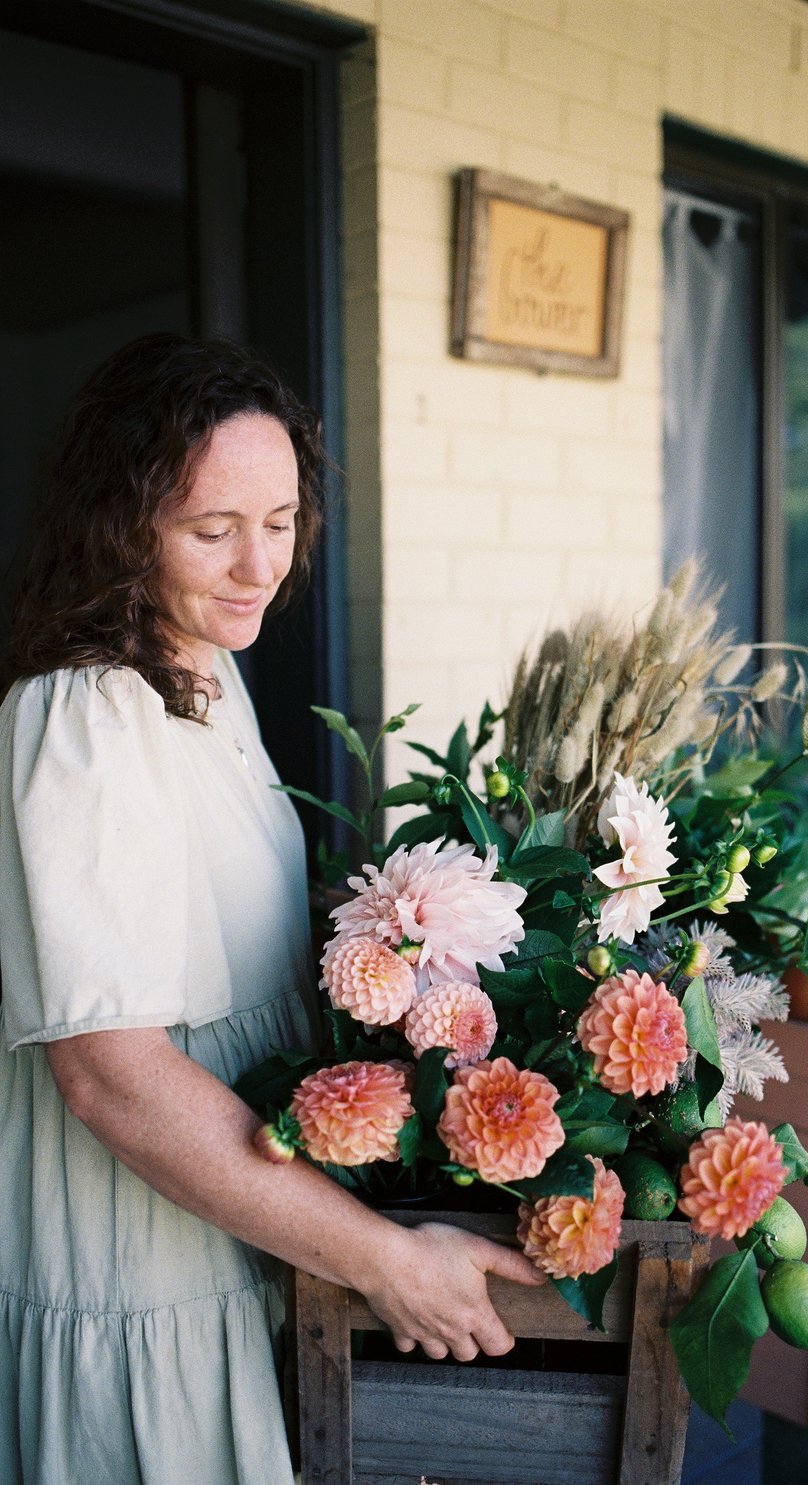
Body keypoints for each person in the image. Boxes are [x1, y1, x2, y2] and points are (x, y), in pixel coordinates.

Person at [0, 334, 544, 1485]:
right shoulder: (85, 713)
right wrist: (383, 1260)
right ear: (120, 525)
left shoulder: (208, 669)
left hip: (240, 1207)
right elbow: (109, 1076)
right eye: (212, 530)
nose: (259, 567)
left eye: (283, 521)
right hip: (139, 1247)